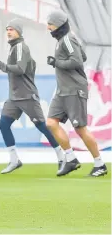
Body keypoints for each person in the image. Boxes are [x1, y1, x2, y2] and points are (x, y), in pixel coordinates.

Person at [0, 18, 64, 174]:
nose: (9, 32)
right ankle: (14, 160)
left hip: (26, 95)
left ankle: (61, 157)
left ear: (18, 31)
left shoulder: (20, 47)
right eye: (7, 29)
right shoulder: (14, 48)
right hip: (15, 97)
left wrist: (1, 66)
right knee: (3, 124)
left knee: (42, 127)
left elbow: (20, 69)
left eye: (11, 29)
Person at [45, 10, 107, 177]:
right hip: (62, 90)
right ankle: (71, 159)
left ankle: (100, 164)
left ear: (58, 25)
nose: (48, 27)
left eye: (50, 24)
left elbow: (78, 60)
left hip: (74, 89)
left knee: (80, 128)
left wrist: (57, 62)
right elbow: (83, 57)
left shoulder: (68, 39)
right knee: (51, 123)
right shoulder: (64, 39)